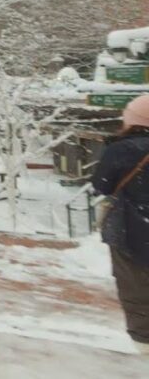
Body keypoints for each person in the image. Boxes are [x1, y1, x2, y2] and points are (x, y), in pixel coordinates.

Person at [93, 94, 149, 354]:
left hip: (130, 233)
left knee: (137, 292)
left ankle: (145, 347)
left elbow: (101, 185)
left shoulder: (122, 149)